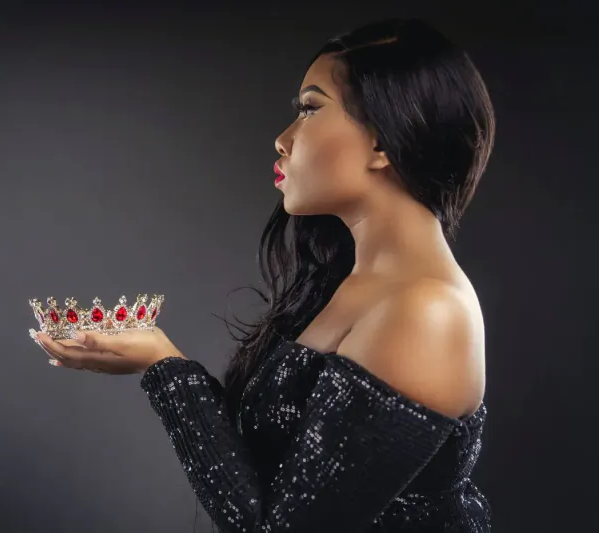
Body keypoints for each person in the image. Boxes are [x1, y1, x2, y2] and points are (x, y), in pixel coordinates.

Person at [36, 17, 495, 533]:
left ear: (384, 141)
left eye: (310, 108)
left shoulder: (426, 311)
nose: (282, 139)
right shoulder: (350, 284)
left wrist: (165, 366)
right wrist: (155, 361)